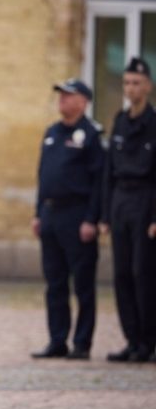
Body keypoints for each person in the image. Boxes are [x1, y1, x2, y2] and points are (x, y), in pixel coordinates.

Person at [30, 78, 105, 360]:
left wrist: (92, 219)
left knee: (83, 284)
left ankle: (82, 343)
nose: (61, 99)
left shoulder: (92, 135)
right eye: (60, 94)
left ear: (83, 101)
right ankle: (57, 339)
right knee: (55, 282)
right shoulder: (52, 132)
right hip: (50, 214)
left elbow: (99, 182)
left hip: (78, 216)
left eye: (68, 95)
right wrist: (38, 213)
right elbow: (43, 176)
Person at [100, 56, 156, 363]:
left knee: (143, 272)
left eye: (136, 83)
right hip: (121, 201)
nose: (130, 88)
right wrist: (105, 215)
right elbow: (109, 172)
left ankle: (148, 340)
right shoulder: (119, 122)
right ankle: (132, 339)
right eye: (126, 83)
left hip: (145, 202)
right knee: (121, 273)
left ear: (147, 86)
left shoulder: (154, 123)